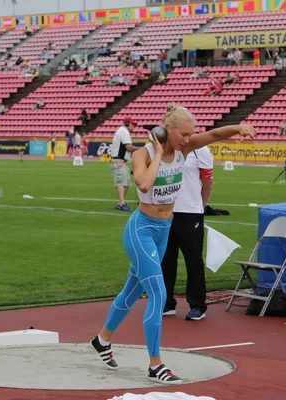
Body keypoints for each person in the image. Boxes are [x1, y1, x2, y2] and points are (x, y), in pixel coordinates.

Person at [90, 104, 256, 384]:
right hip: (141, 230)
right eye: (184, 134)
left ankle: (102, 339)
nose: (188, 139)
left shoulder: (185, 149)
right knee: (158, 292)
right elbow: (143, 184)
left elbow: (214, 135)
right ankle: (155, 364)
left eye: (191, 134)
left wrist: (238, 127)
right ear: (168, 130)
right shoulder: (143, 154)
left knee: (132, 290)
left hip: (163, 229)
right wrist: (158, 153)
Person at [161, 139, 214, 321]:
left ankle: (198, 305)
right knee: (165, 260)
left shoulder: (201, 150)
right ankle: (166, 302)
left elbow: (207, 183)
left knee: (193, 260)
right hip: (165, 211)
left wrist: (199, 205)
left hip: (190, 213)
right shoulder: (163, 146)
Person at [110, 117, 141, 212]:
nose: (134, 127)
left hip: (121, 161)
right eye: (133, 125)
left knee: (126, 183)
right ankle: (121, 203)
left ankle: (121, 202)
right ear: (127, 124)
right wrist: (142, 149)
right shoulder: (123, 132)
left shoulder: (122, 131)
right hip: (118, 161)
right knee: (121, 182)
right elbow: (128, 147)